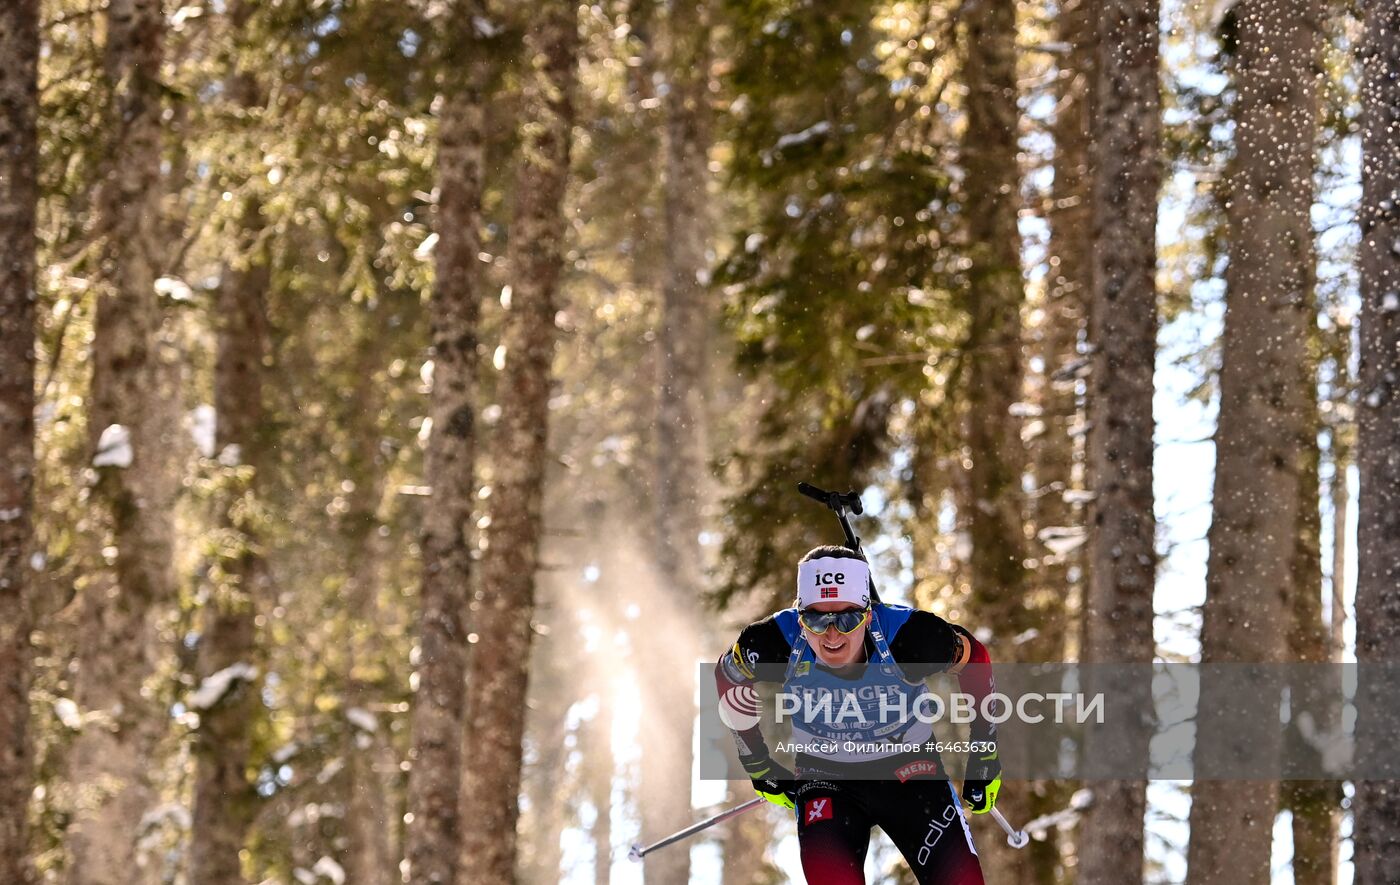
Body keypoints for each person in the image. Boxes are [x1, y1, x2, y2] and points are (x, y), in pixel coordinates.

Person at [714, 545, 1001, 885]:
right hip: (826, 777)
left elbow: (976, 660)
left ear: (868, 613)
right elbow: (725, 677)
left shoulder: (911, 639)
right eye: (816, 619)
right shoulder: (774, 641)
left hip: (911, 773)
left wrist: (985, 754)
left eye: (847, 618)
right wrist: (758, 764)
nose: (832, 635)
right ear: (799, 615)